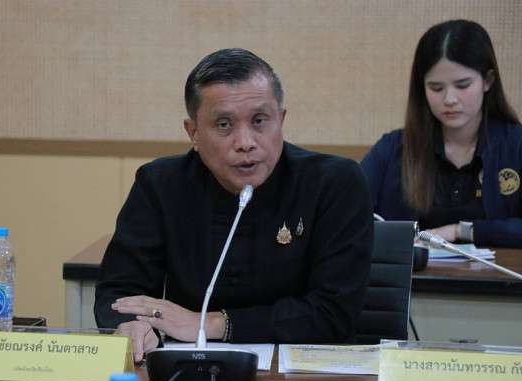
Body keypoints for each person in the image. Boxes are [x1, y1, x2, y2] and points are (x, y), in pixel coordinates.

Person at [95, 48, 373, 363]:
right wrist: (133, 326)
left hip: (309, 373)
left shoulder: (334, 182)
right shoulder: (160, 184)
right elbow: (120, 291)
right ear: (193, 133)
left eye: (259, 121)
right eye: (224, 124)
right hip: (191, 371)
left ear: (280, 120)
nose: (245, 142)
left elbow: (334, 312)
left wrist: (208, 324)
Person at [361, 20, 522, 248]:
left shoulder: (516, 145)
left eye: (462, 85)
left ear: (488, 81)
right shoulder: (392, 149)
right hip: (416, 272)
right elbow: (346, 216)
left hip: (498, 272)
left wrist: (464, 231)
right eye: (436, 88)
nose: (449, 99)